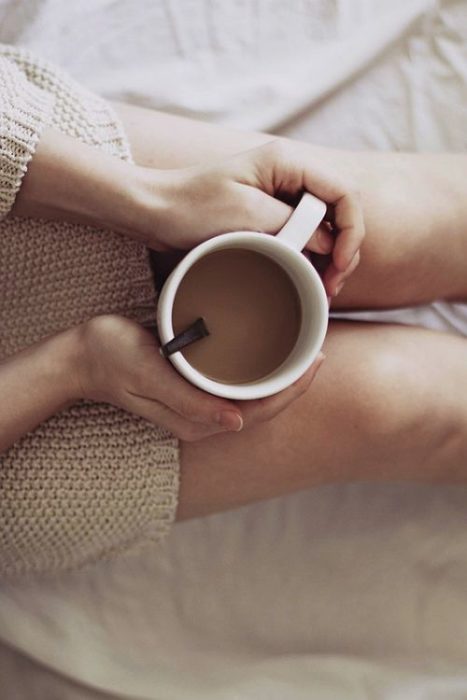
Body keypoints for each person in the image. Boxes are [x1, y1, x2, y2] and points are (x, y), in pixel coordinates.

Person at [1, 43, 466, 578]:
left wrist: (148, 200)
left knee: (406, 228)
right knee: (395, 400)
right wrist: (72, 366)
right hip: (21, 427)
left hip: (30, 184)